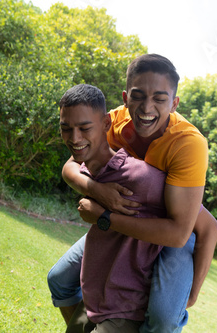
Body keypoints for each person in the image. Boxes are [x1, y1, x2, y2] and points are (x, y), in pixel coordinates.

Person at [48, 54, 217, 332]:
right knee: (60, 278)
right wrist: (98, 190)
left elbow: (194, 229)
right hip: (127, 218)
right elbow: (71, 165)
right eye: (138, 96)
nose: (146, 108)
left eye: (159, 99)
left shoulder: (188, 144)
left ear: (174, 103)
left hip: (173, 232)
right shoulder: (113, 123)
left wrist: (192, 293)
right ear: (126, 97)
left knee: (164, 318)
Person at [59, 83, 169, 332]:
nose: (74, 138)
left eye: (84, 128)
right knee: (58, 280)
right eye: (66, 129)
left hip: (125, 310)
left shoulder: (141, 177)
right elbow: (69, 169)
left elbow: (197, 221)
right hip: (93, 302)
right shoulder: (86, 171)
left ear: (107, 124)